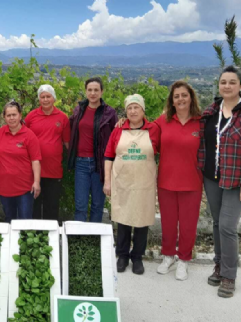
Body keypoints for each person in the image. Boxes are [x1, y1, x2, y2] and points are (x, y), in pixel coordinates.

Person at [198, 65, 241, 298]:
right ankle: (219, 264)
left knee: (227, 226)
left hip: (237, 179)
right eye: (223, 82)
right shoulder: (212, 110)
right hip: (212, 177)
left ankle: (229, 275)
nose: (226, 86)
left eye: (232, 82)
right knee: (216, 223)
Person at [103, 94, 159, 275]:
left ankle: (137, 257)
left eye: (136, 107)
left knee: (142, 221)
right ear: (125, 111)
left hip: (144, 183)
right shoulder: (118, 130)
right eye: (129, 108)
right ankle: (122, 256)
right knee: (123, 219)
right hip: (122, 182)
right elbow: (109, 156)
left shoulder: (154, 129)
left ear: (143, 110)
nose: (133, 111)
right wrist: (107, 181)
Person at [155, 81, 202, 281]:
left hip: (192, 182)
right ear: (172, 101)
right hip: (166, 180)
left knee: (188, 224)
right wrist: (121, 123)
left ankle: (183, 259)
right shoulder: (162, 122)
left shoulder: (201, 122)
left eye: (184, 95)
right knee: (168, 222)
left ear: (191, 97)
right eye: (176, 96)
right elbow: (141, 133)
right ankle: (168, 256)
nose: (180, 99)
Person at [68, 77, 118, 222]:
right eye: (90, 90)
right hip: (81, 163)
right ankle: (79, 240)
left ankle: (93, 240)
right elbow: (70, 130)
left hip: (100, 164)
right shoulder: (79, 110)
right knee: (80, 205)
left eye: (96, 90)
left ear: (102, 92)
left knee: (97, 205)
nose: (93, 93)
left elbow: (116, 136)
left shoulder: (109, 113)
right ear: (86, 92)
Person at [25, 85, 70, 222]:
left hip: (53, 170)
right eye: (42, 97)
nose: (45, 100)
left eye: (48, 96)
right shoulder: (31, 116)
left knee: (52, 206)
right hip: (33, 171)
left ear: (54, 98)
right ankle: (36, 238)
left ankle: (51, 239)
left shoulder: (62, 118)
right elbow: (23, 137)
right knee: (35, 207)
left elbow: (67, 143)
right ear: (39, 99)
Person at [0, 101, 41, 221]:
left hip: (25, 189)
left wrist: (36, 182)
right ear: (4, 117)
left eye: (14, 114)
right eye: (8, 115)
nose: (11, 118)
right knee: (9, 220)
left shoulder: (29, 135)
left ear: (20, 115)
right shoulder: (0, 133)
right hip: (5, 188)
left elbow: (35, 160)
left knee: (25, 223)